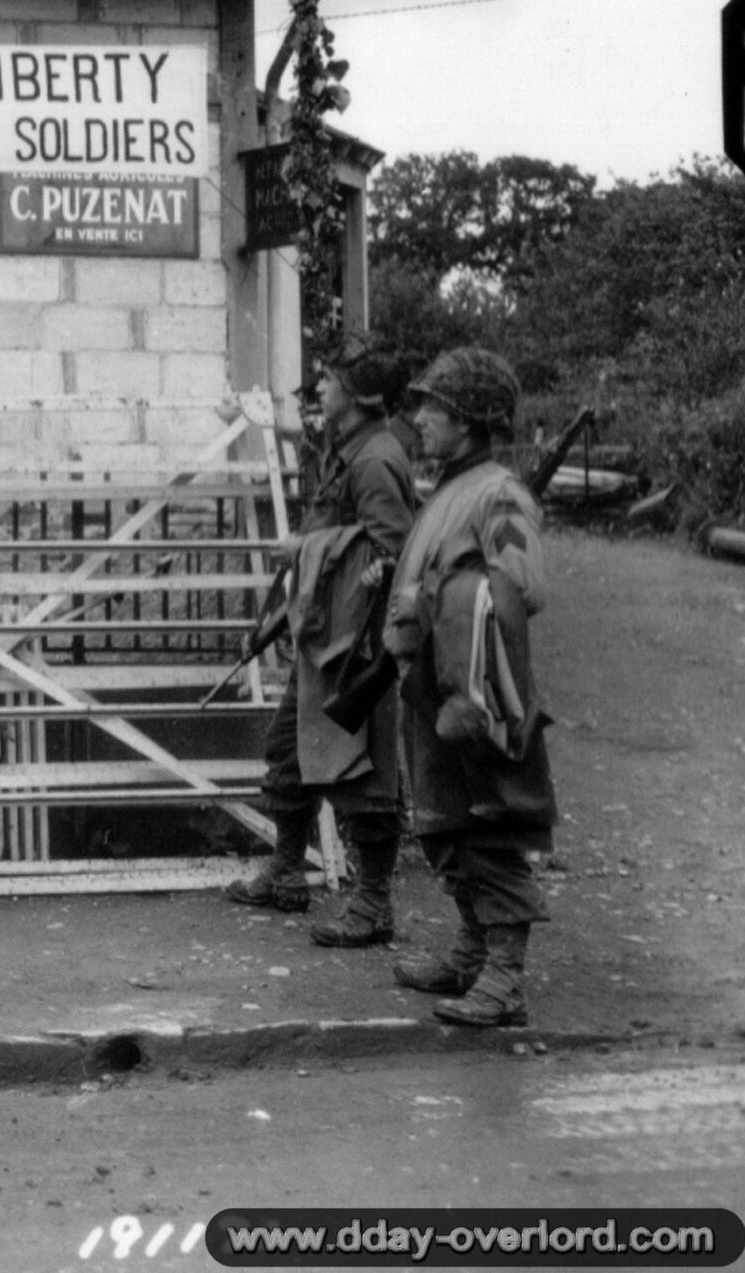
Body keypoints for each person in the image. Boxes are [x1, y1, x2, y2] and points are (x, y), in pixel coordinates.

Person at [383, 346, 556, 1029]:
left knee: (490, 826)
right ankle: (469, 950)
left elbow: (521, 588)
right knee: (446, 825)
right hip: (434, 687)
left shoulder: (499, 493)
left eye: (436, 408)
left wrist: (444, 599)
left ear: (468, 421)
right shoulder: (449, 488)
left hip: (479, 692)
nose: (421, 418)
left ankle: (505, 980)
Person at [225, 338, 415, 947]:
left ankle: (374, 903)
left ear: (359, 398)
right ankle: (286, 871)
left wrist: (305, 549)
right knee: (288, 749)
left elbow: (393, 552)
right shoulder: (347, 449)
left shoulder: (376, 460)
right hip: (323, 632)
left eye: (331, 379)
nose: (321, 386)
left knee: (364, 770)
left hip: (358, 645)